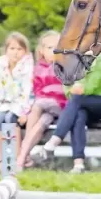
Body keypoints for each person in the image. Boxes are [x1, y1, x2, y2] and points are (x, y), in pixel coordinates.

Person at [36, 51, 101, 173]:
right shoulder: (72, 59)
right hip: (80, 104)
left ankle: (53, 141)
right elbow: (67, 85)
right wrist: (73, 90)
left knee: (76, 101)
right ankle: (79, 164)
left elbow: (93, 85)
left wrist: (80, 88)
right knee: (79, 115)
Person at [17, 30, 67, 171]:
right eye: (50, 48)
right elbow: (36, 90)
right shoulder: (38, 68)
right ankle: (23, 158)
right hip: (45, 109)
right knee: (42, 122)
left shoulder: (65, 66)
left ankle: (22, 152)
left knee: (38, 105)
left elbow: (65, 89)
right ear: (42, 51)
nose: (54, 51)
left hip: (60, 104)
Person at [0, 32, 33, 173]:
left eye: (19, 49)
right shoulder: (1, 67)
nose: (15, 53)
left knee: (10, 119)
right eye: (12, 49)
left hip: (21, 105)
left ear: (25, 51)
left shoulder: (28, 68)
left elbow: (28, 92)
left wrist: (24, 112)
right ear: (6, 50)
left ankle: (13, 159)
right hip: (4, 103)